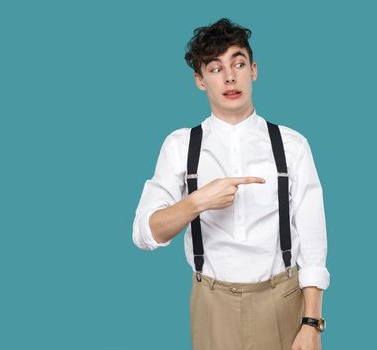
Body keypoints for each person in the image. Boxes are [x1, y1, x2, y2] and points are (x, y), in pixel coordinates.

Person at [131, 17, 329, 350]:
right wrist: (196, 202)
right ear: (199, 80)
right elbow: (145, 234)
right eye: (215, 68)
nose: (230, 77)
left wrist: (312, 323)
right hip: (211, 302)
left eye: (238, 63)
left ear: (253, 70)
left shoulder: (292, 145)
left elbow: (313, 241)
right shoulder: (181, 146)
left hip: (282, 298)